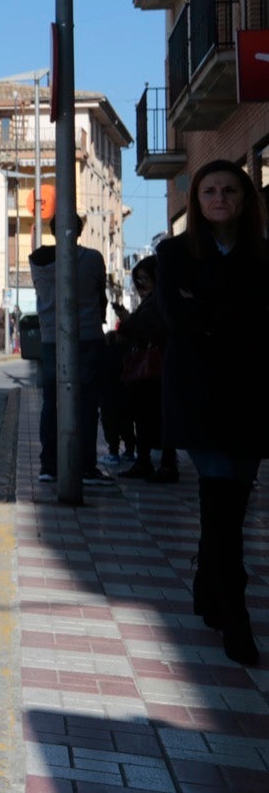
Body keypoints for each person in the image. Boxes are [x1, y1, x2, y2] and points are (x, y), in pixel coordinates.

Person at [154, 159, 267, 666]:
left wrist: (209, 308)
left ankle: (207, 583)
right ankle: (235, 616)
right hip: (199, 395)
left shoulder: (263, 255)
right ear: (197, 202)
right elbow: (179, 318)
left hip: (252, 395)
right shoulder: (174, 252)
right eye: (209, 191)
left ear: (244, 199)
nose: (219, 198)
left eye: (229, 190)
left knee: (232, 502)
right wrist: (235, 315)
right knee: (220, 501)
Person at [30, 214, 110, 486]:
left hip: (51, 338)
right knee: (87, 404)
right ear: (80, 230)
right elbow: (102, 297)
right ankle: (86, 466)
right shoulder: (93, 258)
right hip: (87, 336)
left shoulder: (38, 261)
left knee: (52, 403)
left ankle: (49, 465)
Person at [112, 255, 173, 482]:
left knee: (155, 415)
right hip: (152, 368)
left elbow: (146, 327)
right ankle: (146, 460)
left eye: (144, 279)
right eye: (138, 281)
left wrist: (127, 323)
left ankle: (160, 463)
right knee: (147, 415)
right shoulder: (153, 300)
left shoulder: (159, 301)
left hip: (156, 368)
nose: (140, 286)